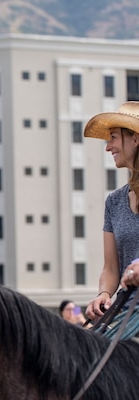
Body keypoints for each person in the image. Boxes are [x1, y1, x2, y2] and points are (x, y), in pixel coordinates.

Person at [84, 102, 139, 320]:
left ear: (135, 139)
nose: (108, 147)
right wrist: (104, 294)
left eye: (114, 137)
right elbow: (110, 267)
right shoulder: (114, 202)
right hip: (127, 312)